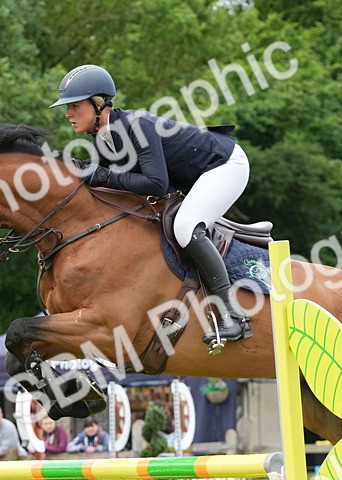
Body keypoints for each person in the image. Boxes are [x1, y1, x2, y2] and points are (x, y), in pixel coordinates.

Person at [52, 64, 249, 346]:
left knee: (186, 226)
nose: (68, 113)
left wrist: (104, 174)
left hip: (225, 165)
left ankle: (234, 317)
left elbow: (155, 184)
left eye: (74, 106)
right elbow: (104, 185)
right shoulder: (103, 137)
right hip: (196, 175)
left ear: (97, 104)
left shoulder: (136, 125)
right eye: (67, 107)